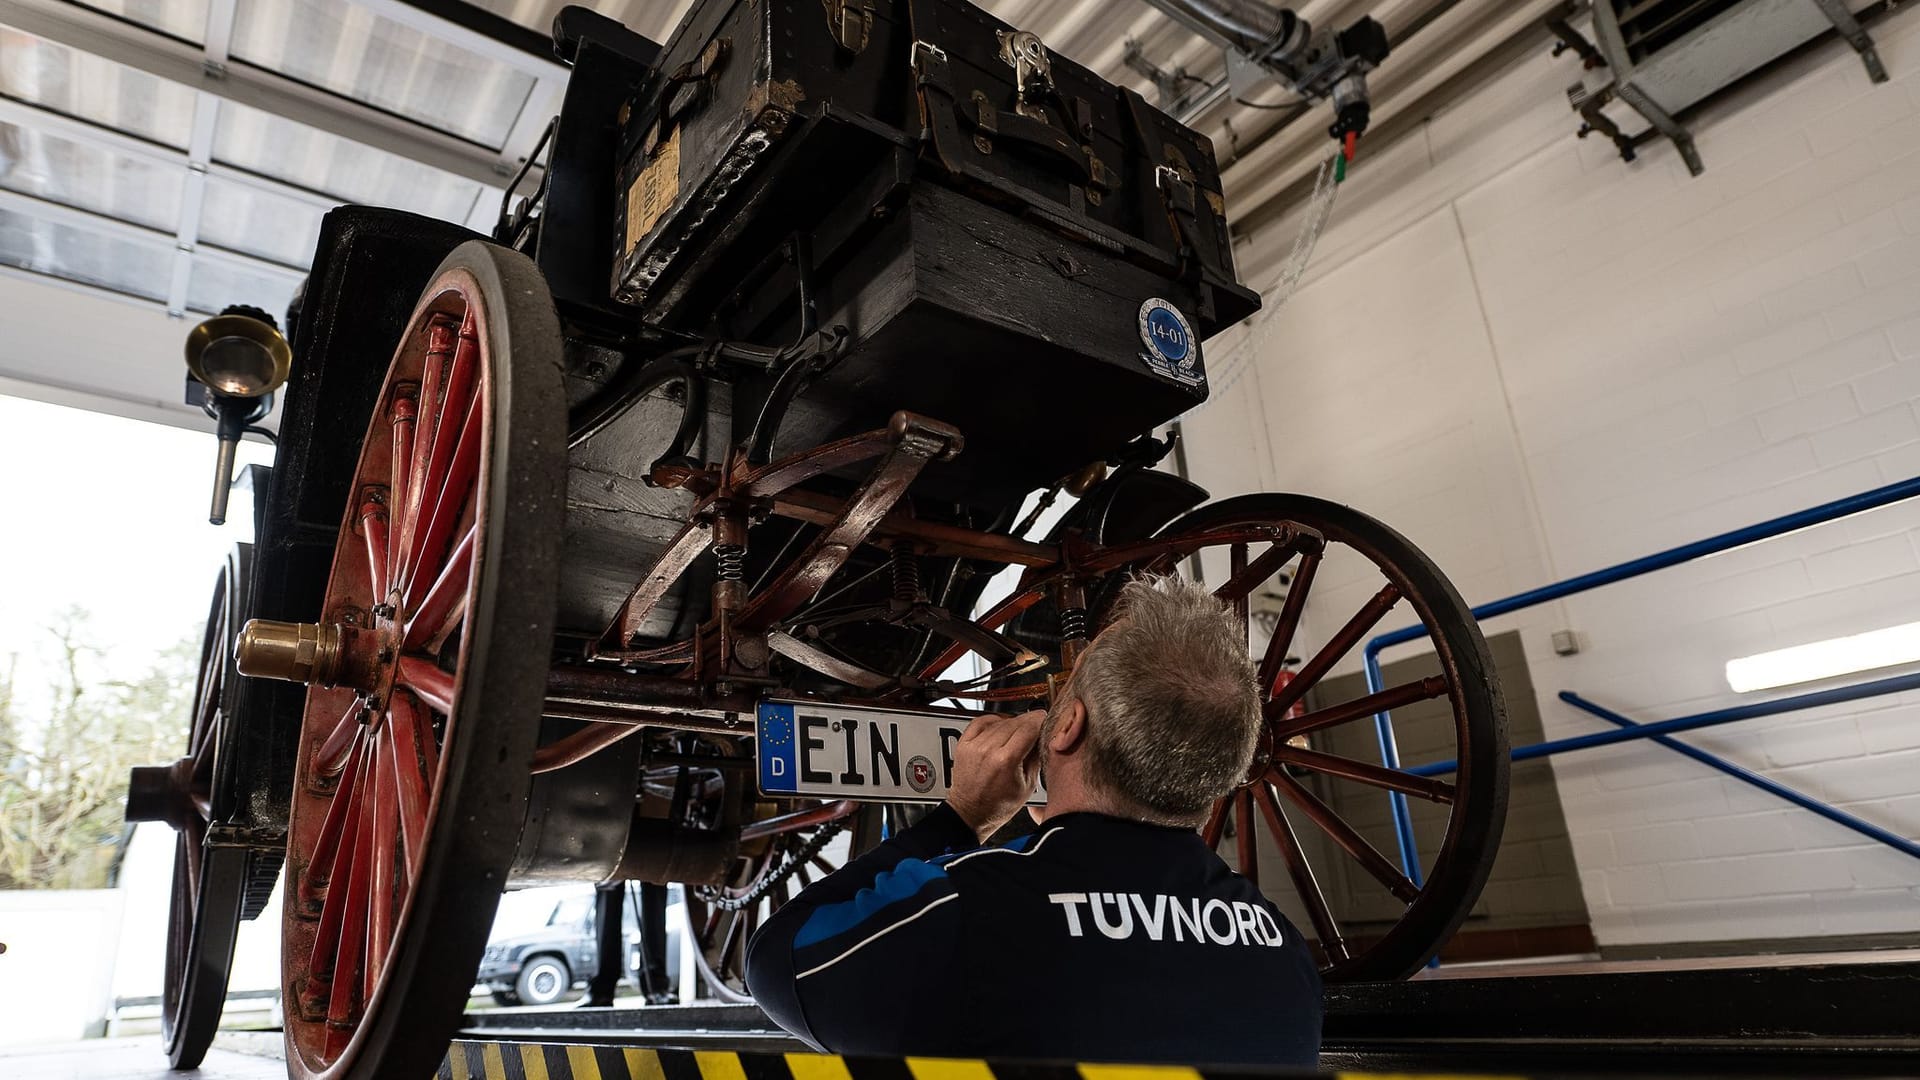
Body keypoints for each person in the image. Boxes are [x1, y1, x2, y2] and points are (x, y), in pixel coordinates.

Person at [744, 576, 1322, 1065]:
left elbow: (776, 965)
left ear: (1066, 726)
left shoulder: (968, 907)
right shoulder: (1282, 950)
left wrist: (959, 818)